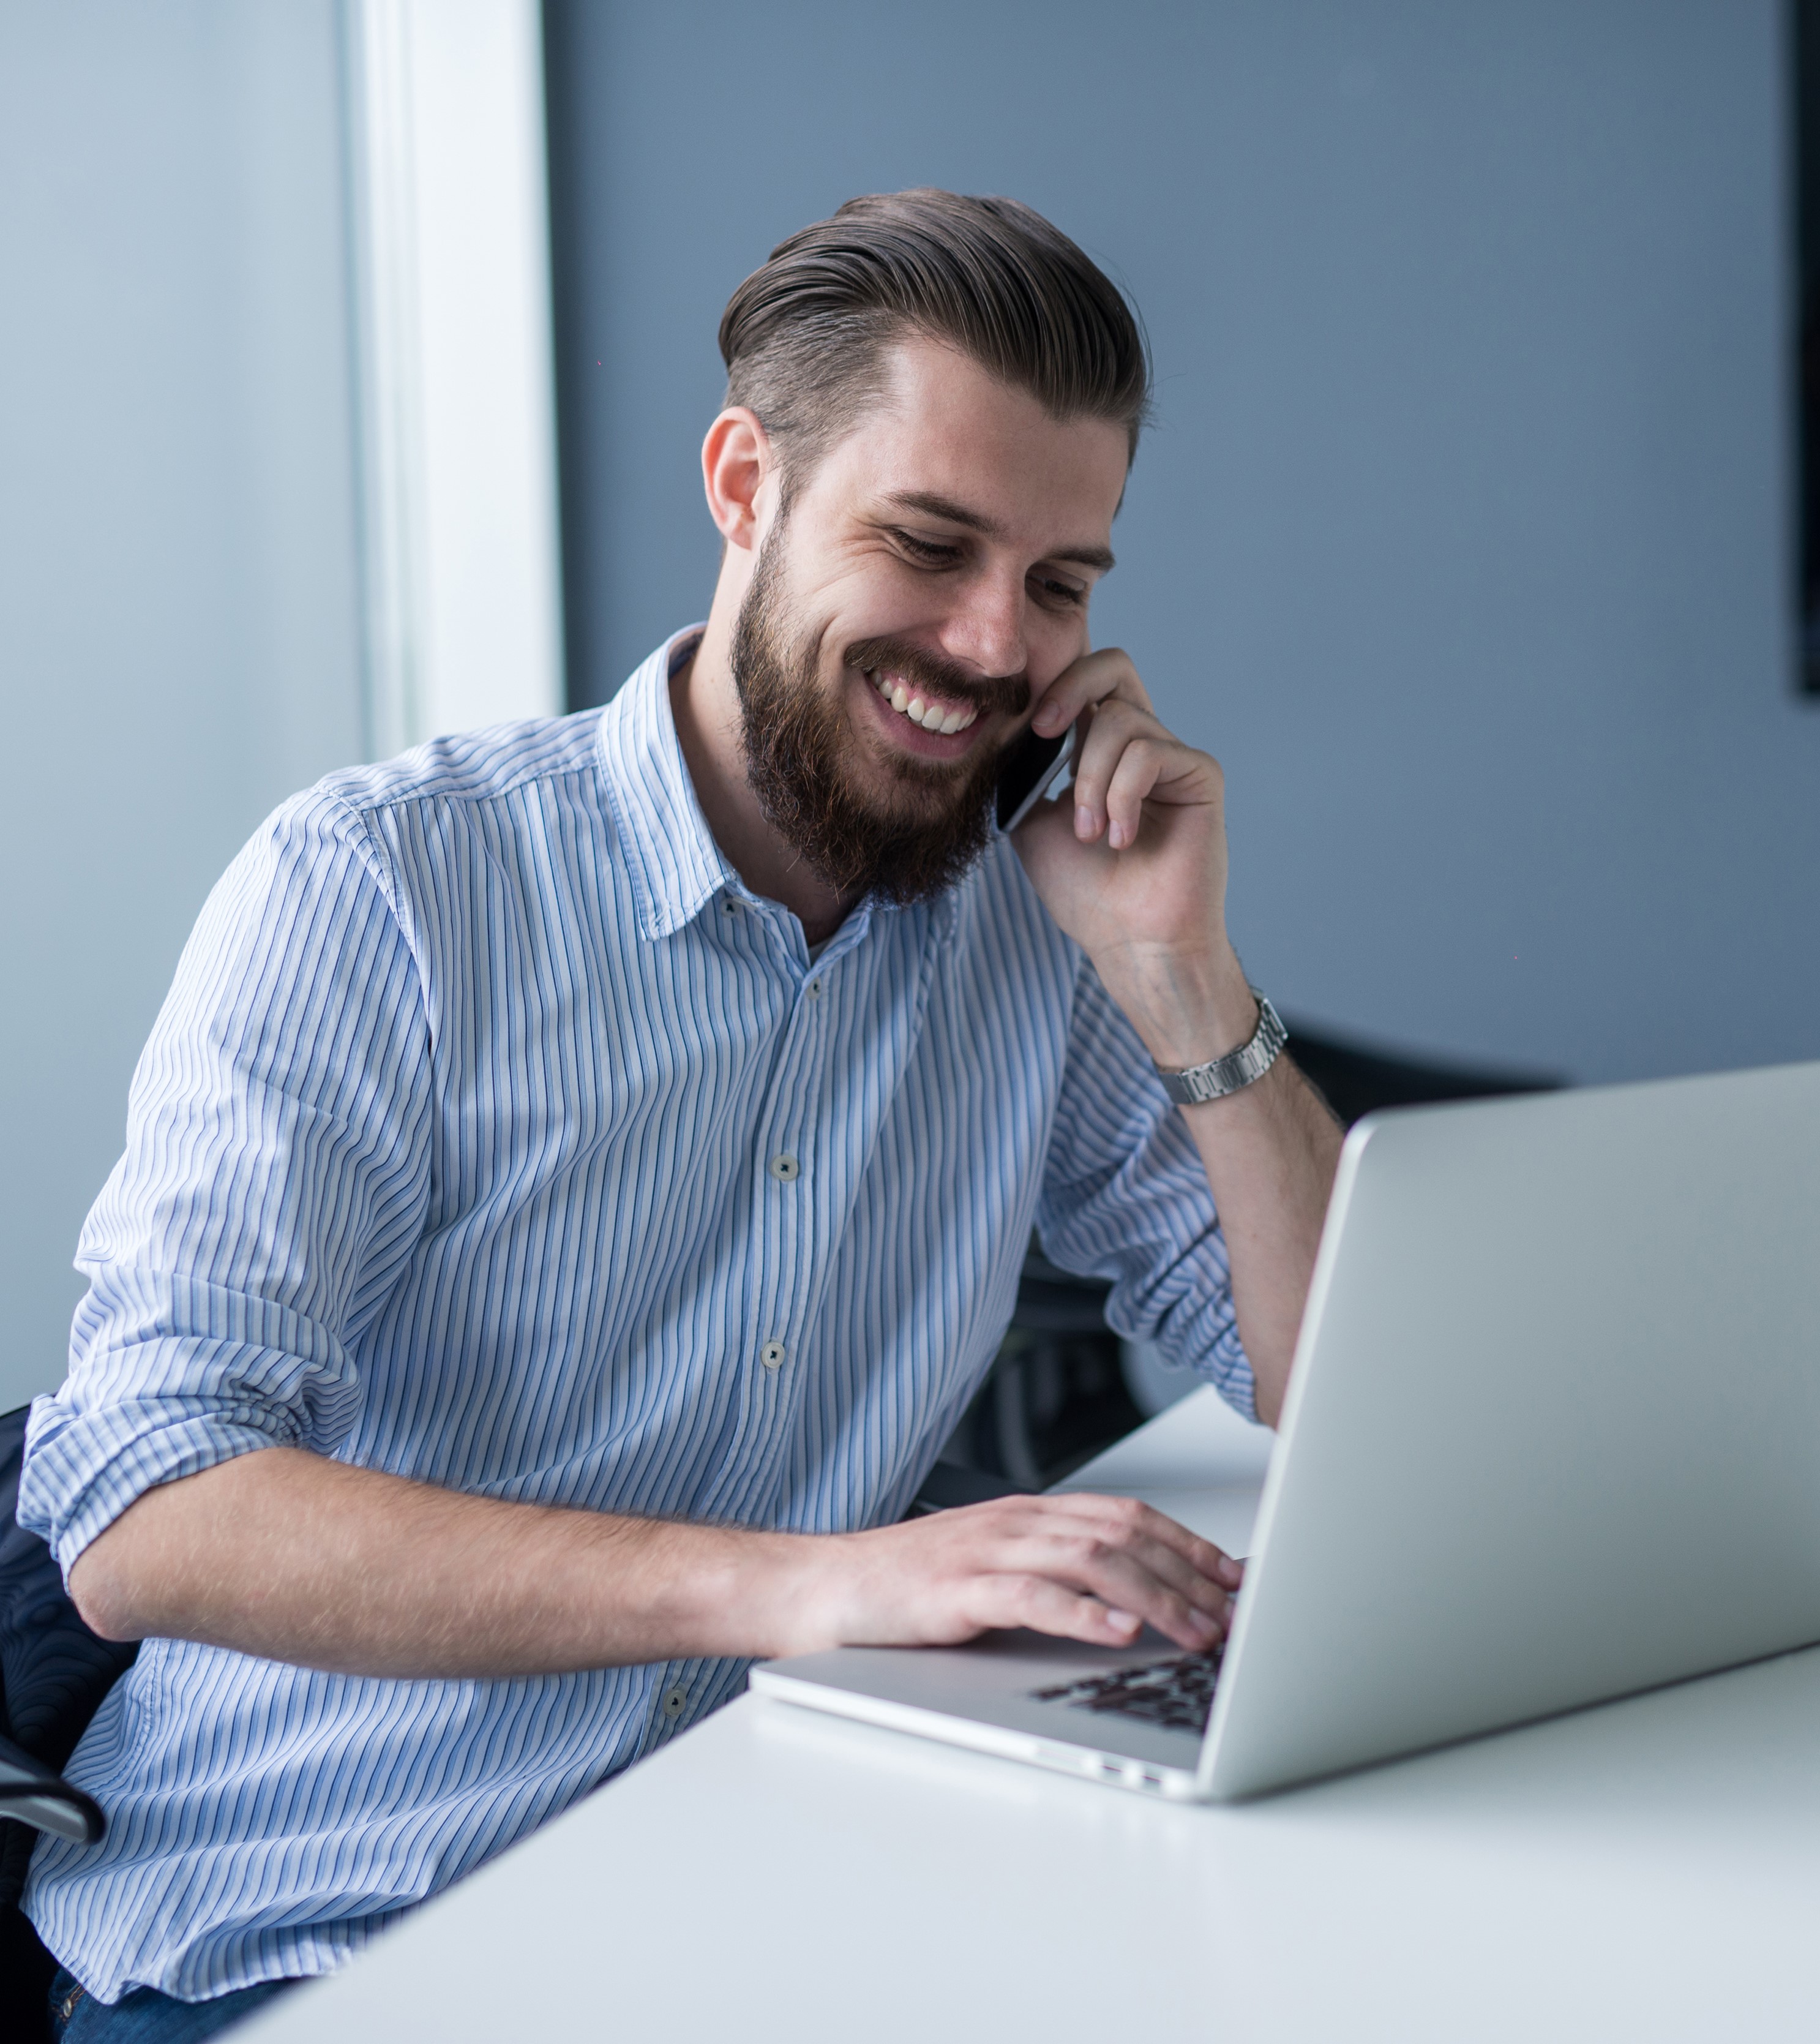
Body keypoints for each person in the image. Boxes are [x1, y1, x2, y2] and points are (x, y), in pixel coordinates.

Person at [21, 189, 1344, 2037]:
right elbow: (143, 1506)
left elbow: (1340, 1378)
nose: (989, 645)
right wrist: (818, 1587)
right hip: (311, 1937)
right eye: (929, 542)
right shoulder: (387, 888)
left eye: (1058, 583)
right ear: (744, 485)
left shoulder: (1033, 925)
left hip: (753, 1913)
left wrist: (1180, 974)